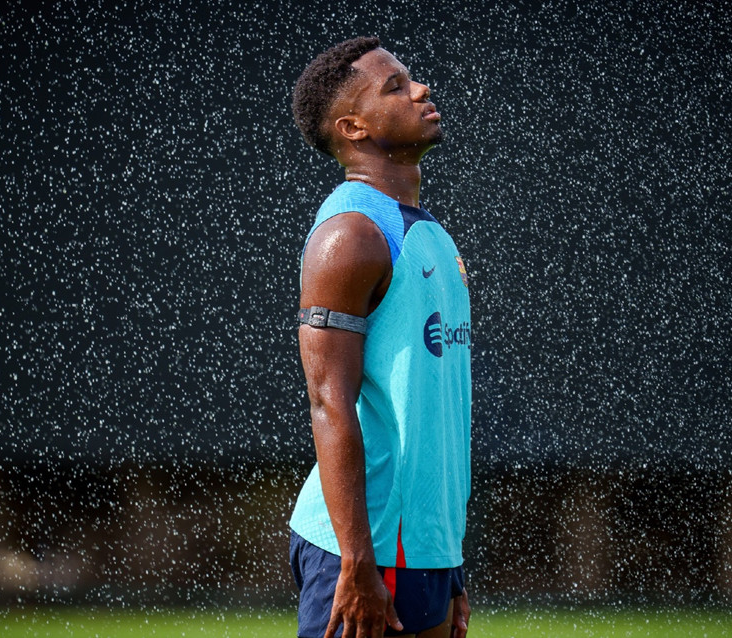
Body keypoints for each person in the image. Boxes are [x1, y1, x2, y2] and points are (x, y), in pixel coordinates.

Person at [288, 37, 472, 638]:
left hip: (427, 550)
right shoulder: (351, 236)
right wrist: (356, 561)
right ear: (353, 128)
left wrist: (452, 568)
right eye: (394, 87)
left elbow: (437, 414)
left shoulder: (435, 239)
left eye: (410, 78)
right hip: (363, 549)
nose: (420, 90)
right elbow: (328, 403)